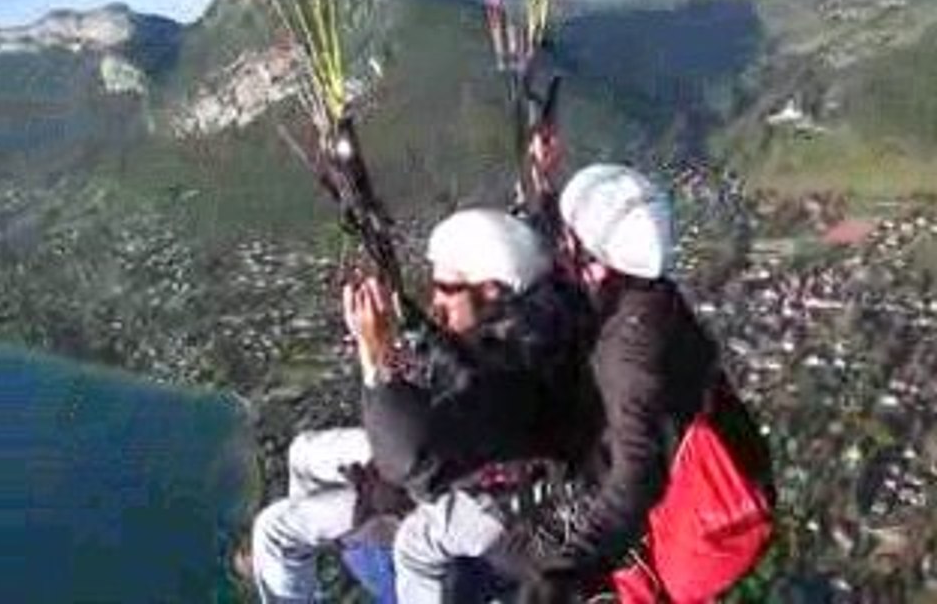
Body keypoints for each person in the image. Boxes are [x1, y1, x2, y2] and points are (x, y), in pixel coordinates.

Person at [246, 208, 596, 604]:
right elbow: (463, 367)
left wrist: (375, 354)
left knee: (274, 530)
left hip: (484, 503)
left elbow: (409, 463)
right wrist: (413, 324)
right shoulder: (535, 324)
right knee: (305, 451)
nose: (435, 300)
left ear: (491, 290)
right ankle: (325, 538)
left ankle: (338, 545)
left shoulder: (506, 378)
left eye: (445, 288)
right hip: (479, 472)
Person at [488, 163, 773, 603]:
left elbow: (635, 480)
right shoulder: (642, 296)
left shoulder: (631, 356)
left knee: (510, 554)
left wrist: (563, 574)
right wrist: (543, 196)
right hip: (688, 466)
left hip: (680, 526)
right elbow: (576, 263)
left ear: (596, 260)